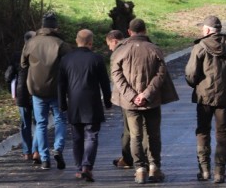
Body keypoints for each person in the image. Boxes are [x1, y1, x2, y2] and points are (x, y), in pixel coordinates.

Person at [184, 15, 226, 184]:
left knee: (202, 131)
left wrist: (196, 85)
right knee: (223, 134)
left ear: (207, 30)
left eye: (203, 29)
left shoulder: (200, 46)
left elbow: (191, 75)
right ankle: (219, 172)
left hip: (205, 96)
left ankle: (204, 170)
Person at [111, 18, 179, 184]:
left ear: (129, 32)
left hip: (130, 103)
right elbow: (160, 75)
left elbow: (116, 74)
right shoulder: (154, 49)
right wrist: (146, 94)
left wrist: (132, 96)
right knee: (153, 135)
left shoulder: (121, 50)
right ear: (145, 30)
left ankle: (140, 169)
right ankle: (154, 167)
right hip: (152, 100)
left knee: (136, 136)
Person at [58, 29, 112, 182]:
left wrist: (62, 103)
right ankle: (87, 166)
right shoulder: (97, 59)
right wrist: (107, 101)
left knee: (77, 137)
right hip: (92, 103)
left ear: (77, 41)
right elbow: (105, 83)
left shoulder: (66, 59)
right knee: (92, 136)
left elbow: (61, 84)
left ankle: (78, 168)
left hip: (74, 103)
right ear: (91, 42)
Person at [20, 12, 72, 170]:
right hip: (57, 90)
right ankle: (58, 148)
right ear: (55, 27)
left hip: (36, 90)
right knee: (60, 120)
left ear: (42, 26)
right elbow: (71, 64)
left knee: (40, 123)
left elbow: (23, 64)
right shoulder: (61, 44)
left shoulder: (31, 43)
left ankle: (44, 159)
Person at [105, 30, 136, 169]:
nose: (109, 48)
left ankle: (128, 158)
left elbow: (117, 77)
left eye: (109, 45)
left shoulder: (118, 52)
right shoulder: (133, 47)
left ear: (114, 41)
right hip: (142, 95)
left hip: (126, 96)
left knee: (128, 130)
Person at [12, 31, 40, 164]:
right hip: (36, 93)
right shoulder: (39, 55)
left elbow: (8, 76)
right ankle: (36, 150)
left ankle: (26, 151)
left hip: (21, 93)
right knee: (38, 122)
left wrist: (12, 91)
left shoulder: (16, 56)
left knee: (25, 124)